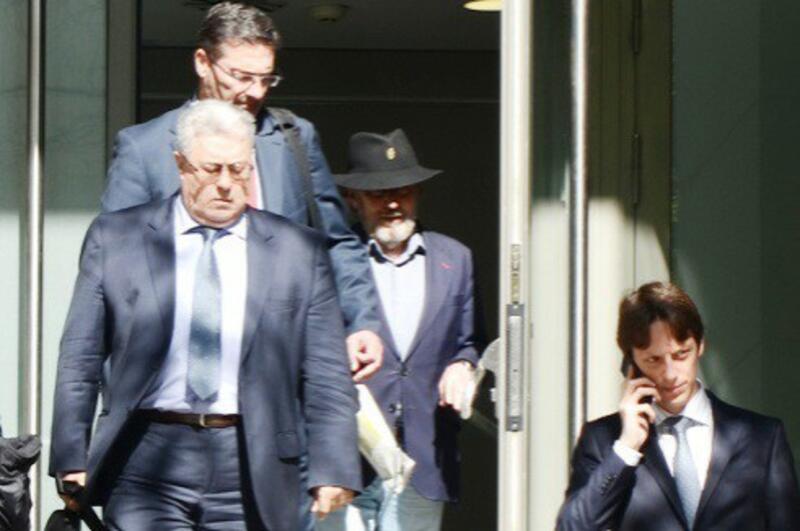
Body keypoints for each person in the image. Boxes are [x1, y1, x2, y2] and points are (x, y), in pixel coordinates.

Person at [49, 100, 361, 530]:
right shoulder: (118, 239)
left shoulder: (297, 251)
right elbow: (80, 356)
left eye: (239, 170)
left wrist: (334, 464)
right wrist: (71, 454)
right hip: (146, 457)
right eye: (212, 169)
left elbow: (326, 370)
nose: (227, 184)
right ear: (181, 165)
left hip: (252, 461)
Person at [101, 1, 382, 381]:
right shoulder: (145, 148)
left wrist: (362, 321)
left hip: (278, 371)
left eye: (266, 79)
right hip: (175, 371)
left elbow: (334, 242)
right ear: (203, 62)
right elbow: (113, 263)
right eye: (241, 76)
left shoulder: (294, 139)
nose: (254, 91)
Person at [316, 129, 483, 531]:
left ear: (417, 193)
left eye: (403, 191)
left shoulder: (455, 259)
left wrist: (463, 364)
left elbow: (470, 340)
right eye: (378, 194)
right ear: (353, 200)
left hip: (423, 459)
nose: (393, 204)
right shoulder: (331, 261)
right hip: (347, 458)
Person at [557, 281, 800, 530]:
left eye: (681, 354)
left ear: (700, 345)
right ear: (631, 363)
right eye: (653, 360)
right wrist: (626, 449)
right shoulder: (603, 441)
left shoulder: (763, 437)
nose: (670, 374)